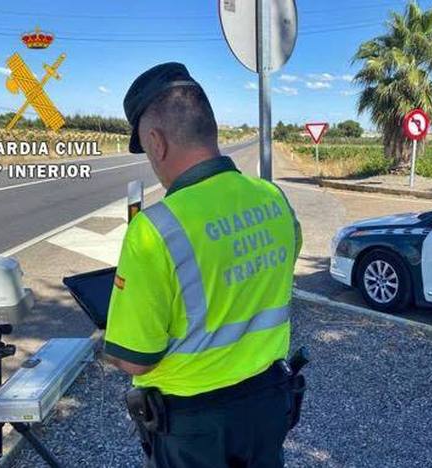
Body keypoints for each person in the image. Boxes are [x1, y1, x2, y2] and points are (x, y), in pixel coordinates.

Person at [103, 62, 303, 468]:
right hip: (268, 406)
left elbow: (137, 358)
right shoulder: (274, 199)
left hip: (194, 427)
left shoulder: (153, 230)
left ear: (156, 142)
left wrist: (110, 341)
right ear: (210, 130)